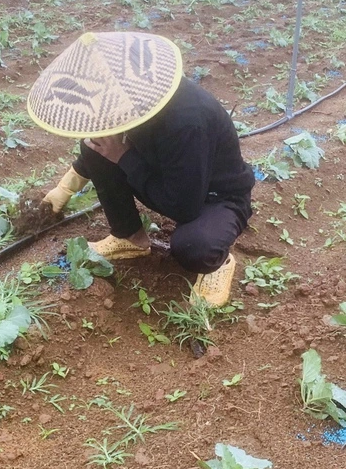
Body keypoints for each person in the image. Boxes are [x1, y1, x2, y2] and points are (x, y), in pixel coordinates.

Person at [28, 32, 256, 307]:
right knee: (99, 143)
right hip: (170, 176)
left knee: (193, 246)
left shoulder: (186, 122)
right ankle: (129, 237)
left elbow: (184, 208)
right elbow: (97, 148)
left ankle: (218, 263)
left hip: (215, 196)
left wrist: (124, 156)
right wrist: (66, 187)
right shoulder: (134, 102)